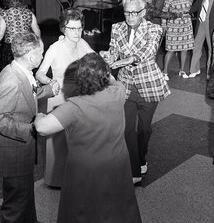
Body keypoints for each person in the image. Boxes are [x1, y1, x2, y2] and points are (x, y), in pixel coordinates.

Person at [35, 53, 142, 223]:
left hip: (86, 169)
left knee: (84, 210)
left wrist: (39, 114)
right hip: (117, 164)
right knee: (118, 207)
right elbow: (115, 81)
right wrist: (107, 72)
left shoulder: (74, 106)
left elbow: (42, 128)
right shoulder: (118, 93)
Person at [0, 32, 59, 223]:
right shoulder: (11, 79)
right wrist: (31, 128)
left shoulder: (21, 71)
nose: (42, 57)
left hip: (19, 150)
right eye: (40, 53)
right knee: (15, 204)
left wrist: (48, 90)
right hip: (12, 152)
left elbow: (28, 93)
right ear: (30, 55)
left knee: (24, 196)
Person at [100, 0, 170, 185]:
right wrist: (108, 56)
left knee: (144, 130)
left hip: (149, 85)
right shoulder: (117, 28)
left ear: (143, 12)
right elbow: (113, 49)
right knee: (127, 129)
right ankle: (134, 170)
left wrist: (122, 61)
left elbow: (147, 53)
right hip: (126, 85)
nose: (130, 16)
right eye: (127, 12)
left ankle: (141, 157)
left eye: (134, 13)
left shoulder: (155, 29)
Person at [35, 8, 94, 187]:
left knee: (80, 137)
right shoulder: (55, 48)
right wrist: (51, 81)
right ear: (63, 29)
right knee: (59, 140)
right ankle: (57, 179)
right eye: (72, 29)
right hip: (60, 94)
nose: (76, 33)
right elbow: (40, 73)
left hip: (80, 94)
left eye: (79, 28)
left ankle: (77, 175)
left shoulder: (82, 43)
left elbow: (95, 59)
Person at [0, 0, 41, 70]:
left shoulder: (4, 15)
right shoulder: (29, 13)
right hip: (27, 46)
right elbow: (37, 31)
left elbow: (0, 35)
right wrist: (38, 45)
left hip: (11, 48)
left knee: (11, 74)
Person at [161, 0, 194, 79]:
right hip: (173, 25)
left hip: (186, 24)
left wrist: (190, 7)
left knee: (184, 49)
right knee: (170, 50)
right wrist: (164, 25)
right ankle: (165, 71)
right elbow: (164, 12)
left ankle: (182, 70)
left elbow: (190, 6)